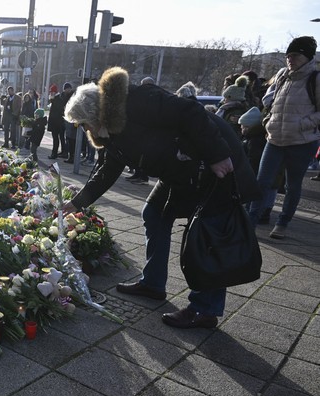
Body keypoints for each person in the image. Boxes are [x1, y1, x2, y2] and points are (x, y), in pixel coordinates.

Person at [62, 66, 260, 329]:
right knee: (154, 213)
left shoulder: (136, 100)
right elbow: (108, 169)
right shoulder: (111, 131)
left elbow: (190, 111)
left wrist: (216, 155)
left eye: (83, 123)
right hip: (180, 170)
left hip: (214, 164)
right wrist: (76, 203)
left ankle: (204, 309)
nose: (83, 129)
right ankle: (153, 283)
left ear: (93, 114)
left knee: (208, 234)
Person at [247, 36, 320, 239]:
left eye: (295, 55)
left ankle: (282, 223)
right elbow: (270, 102)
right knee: (261, 182)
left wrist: (301, 124)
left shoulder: (315, 78)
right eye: (288, 55)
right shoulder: (282, 76)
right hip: (274, 139)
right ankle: (250, 222)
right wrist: (268, 120)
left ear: (307, 57)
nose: (290, 59)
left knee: (292, 185)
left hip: (302, 142)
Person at [48, 83, 70, 158]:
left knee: (56, 139)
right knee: (58, 138)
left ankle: (54, 153)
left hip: (57, 123)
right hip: (56, 123)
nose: (50, 94)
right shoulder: (55, 99)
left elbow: (58, 112)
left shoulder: (57, 99)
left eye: (51, 92)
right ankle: (57, 152)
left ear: (54, 92)